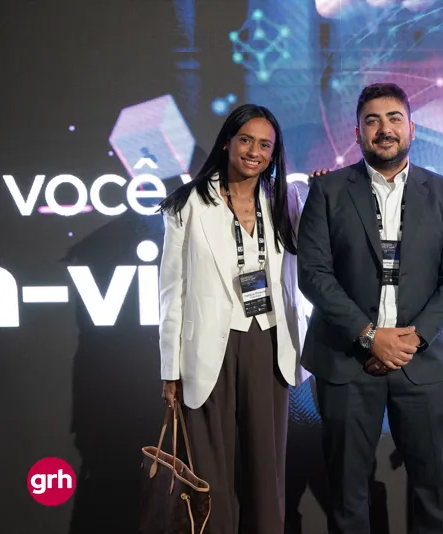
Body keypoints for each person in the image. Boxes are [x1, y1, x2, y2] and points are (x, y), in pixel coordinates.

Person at [297, 82, 443, 534]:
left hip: (421, 362)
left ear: (412, 128)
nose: (384, 129)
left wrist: (411, 339)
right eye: (372, 120)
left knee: (434, 491)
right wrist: (370, 336)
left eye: (394, 118)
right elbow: (313, 275)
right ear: (357, 133)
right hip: (346, 361)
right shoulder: (328, 191)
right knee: (347, 494)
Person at [158, 103, 306, 534]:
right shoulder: (188, 203)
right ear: (227, 142)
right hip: (207, 347)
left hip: (269, 341)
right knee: (209, 473)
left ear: (274, 153)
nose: (254, 152)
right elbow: (171, 291)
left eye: (265, 145)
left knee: (267, 472)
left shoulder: (285, 199)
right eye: (246, 140)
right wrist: (170, 368)